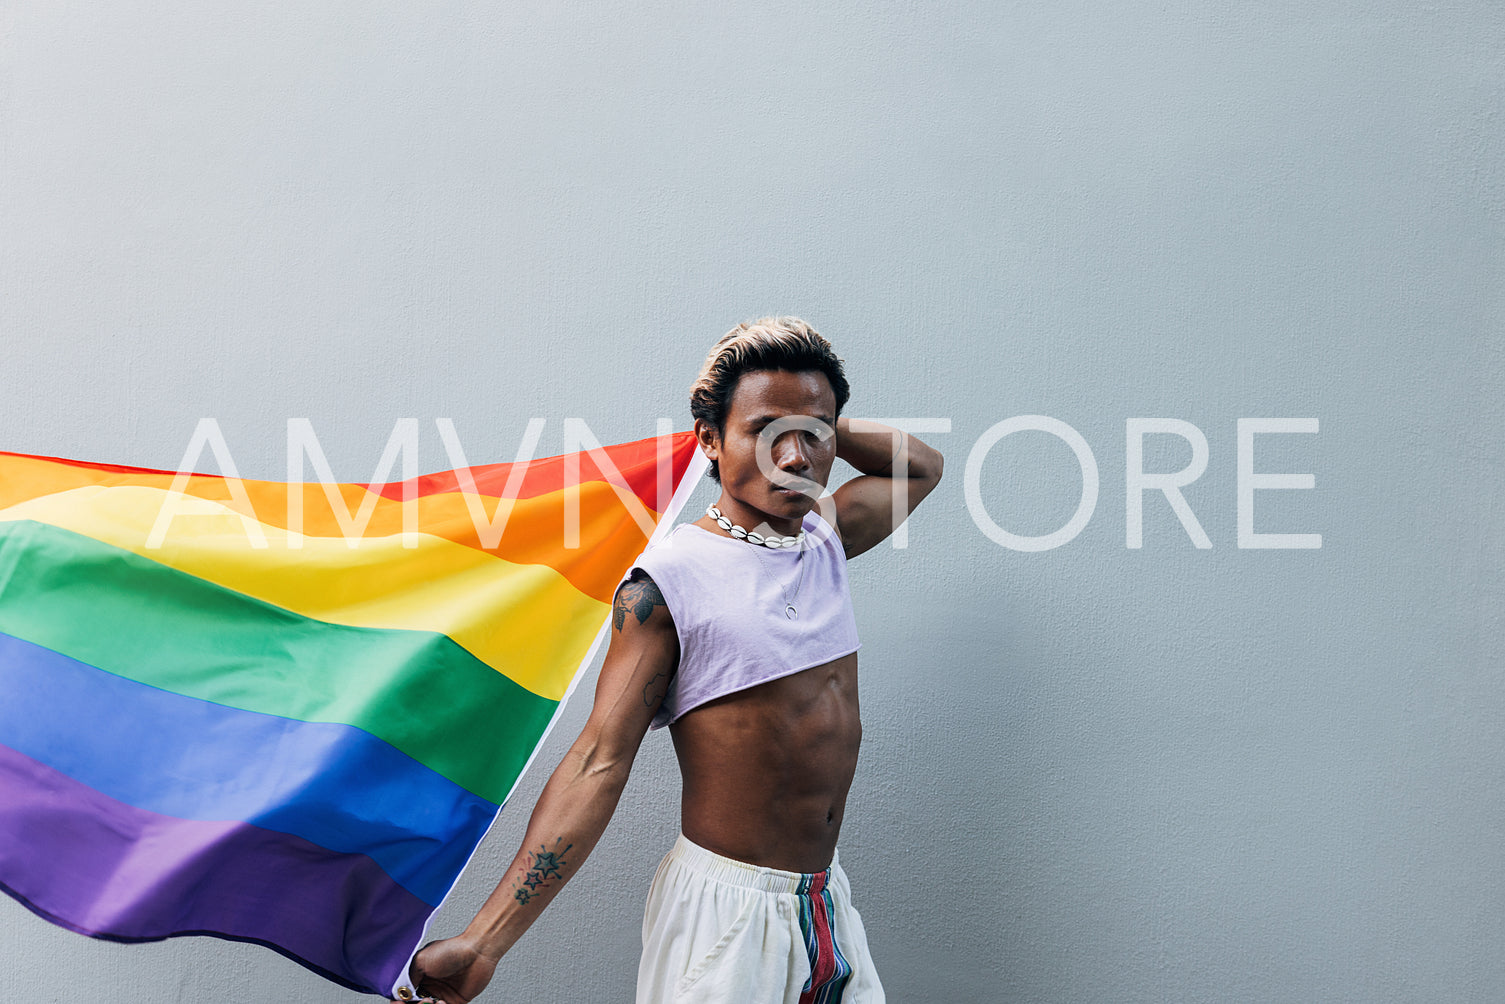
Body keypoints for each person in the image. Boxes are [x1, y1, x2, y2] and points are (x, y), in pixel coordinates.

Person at [396, 317, 944, 1003]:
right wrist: (484, 940)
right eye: (765, 432)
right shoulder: (667, 583)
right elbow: (597, 761)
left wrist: (805, 409)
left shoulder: (822, 539)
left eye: (815, 436)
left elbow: (921, 466)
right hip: (726, 920)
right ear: (709, 439)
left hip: (826, 904)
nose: (796, 458)